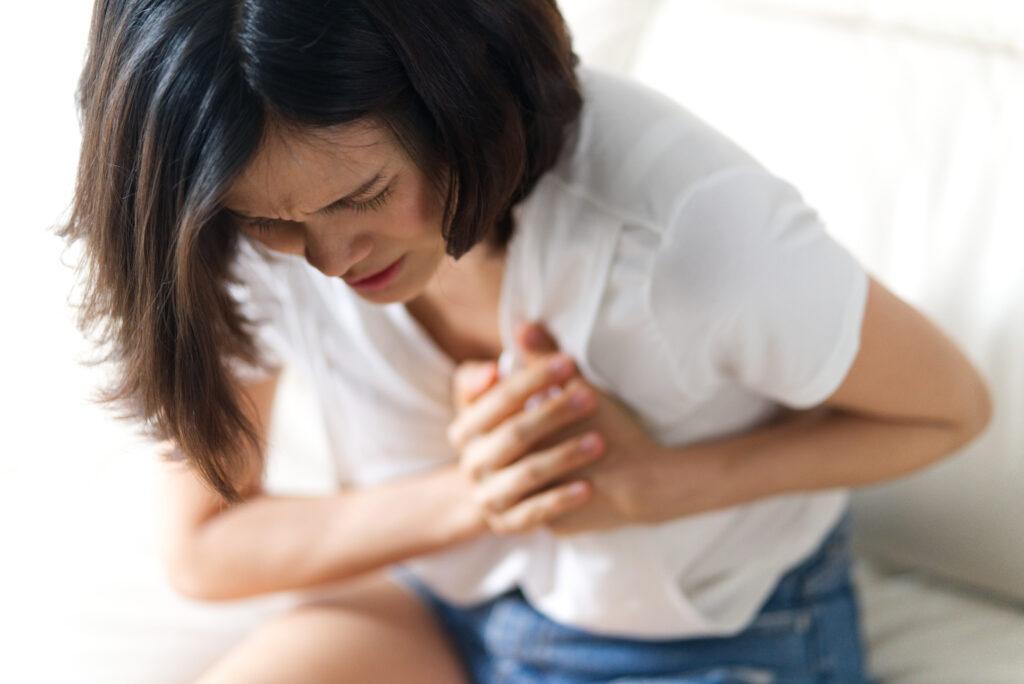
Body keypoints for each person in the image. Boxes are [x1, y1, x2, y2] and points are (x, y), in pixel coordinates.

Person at [61, 1, 992, 682]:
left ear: (457, 99)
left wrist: (647, 487)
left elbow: (950, 409)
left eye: (363, 197)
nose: (330, 259)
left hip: (713, 633)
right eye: (274, 221)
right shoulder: (224, 218)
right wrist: (477, 494)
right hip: (446, 608)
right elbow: (205, 545)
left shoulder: (688, 232)